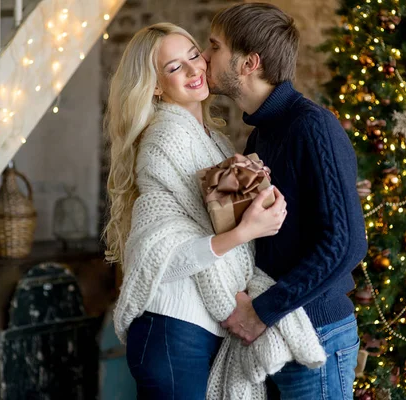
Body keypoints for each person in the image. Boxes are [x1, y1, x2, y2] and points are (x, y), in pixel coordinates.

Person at [103, 23, 289, 399]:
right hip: (174, 330)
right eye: (174, 67)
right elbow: (159, 254)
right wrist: (245, 231)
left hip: (195, 331)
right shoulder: (165, 138)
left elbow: (211, 219)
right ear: (155, 86)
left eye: (193, 56)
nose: (193, 70)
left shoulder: (214, 141)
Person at [201, 3, 368, 399]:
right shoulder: (261, 136)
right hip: (277, 337)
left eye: (214, 46)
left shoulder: (311, 127)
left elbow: (347, 245)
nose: (204, 57)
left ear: (249, 62)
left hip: (318, 334)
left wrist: (262, 311)